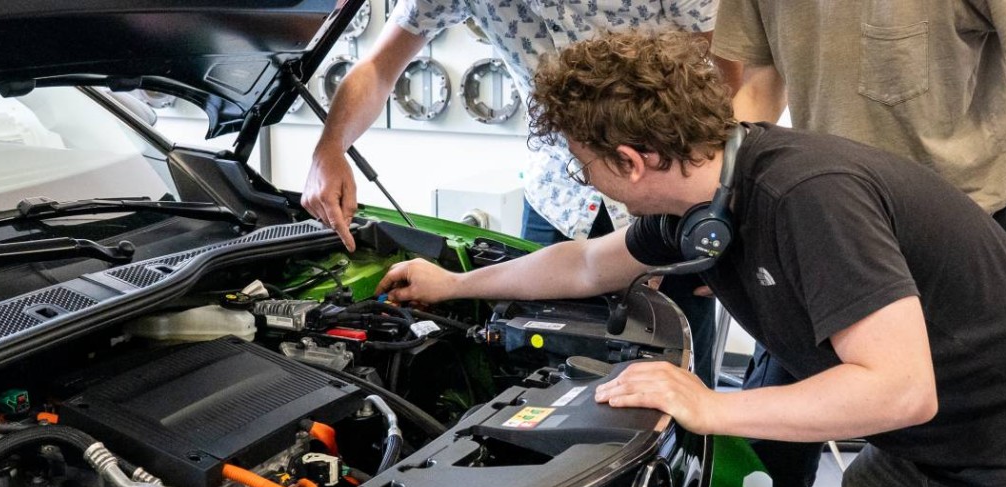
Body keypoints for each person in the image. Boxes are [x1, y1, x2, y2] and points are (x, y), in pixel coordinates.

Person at [376, 33, 1006, 487]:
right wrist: (453, 284)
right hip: (921, 465)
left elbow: (902, 389)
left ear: (632, 161)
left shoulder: (807, 198)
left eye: (586, 164)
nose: (584, 181)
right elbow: (583, 264)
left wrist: (711, 405)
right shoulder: (698, 201)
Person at [710, 2, 1006, 487]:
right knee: (768, 456)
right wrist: (727, 206)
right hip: (824, 233)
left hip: (958, 239)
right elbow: (764, 75)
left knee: (973, 458)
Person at [298, 0, 729, 371]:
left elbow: (727, 73)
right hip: (559, 197)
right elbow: (377, 65)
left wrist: (720, 206)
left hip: (667, 196)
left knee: (677, 368)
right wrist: (329, 147)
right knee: (531, 359)